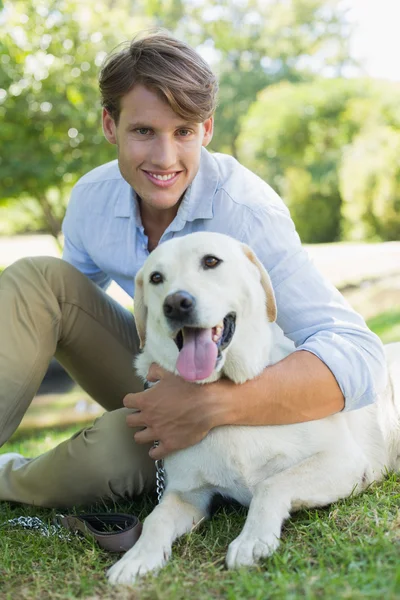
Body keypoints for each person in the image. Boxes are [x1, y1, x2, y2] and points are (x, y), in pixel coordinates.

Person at [0, 31, 387, 508]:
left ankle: (10, 481)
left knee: (109, 456)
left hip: (247, 389)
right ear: (109, 124)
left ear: (205, 131)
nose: (164, 159)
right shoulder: (90, 199)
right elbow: (64, 313)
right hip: (161, 368)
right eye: (144, 131)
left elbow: (359, 353)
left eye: (183, 132)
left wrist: (213, 404)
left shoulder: (247, 211)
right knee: (36, 281)